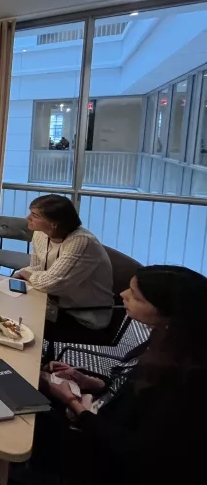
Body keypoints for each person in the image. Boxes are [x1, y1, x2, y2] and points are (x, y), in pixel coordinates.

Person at [28, 265, 207, 485]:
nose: (122, 294)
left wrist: (74, 403)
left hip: (101, 455)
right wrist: (89, 382)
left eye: (135, 296)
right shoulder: (163, 340)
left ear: (168, 312)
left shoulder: (187, 382)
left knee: (27, 421)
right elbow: (131, 392)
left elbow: (136, 452)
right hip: (96, 419)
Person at [14, 195, 113, 337]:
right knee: (10, 307)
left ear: (53, 223)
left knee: (20, 322)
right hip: (54, 302)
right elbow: (37, 268)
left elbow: (51, 284)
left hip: (82, 315)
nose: (27, 218)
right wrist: (22, 273)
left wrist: (25, 274)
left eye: (34, 215)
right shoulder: (40, 234)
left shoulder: (81, 241)